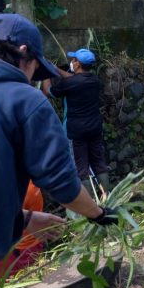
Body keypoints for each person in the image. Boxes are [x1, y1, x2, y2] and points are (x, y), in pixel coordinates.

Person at [0, 13, 117, 288]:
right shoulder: (24, 99)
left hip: (77, 133)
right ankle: (106, 195)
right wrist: (98, 214)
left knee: (85, 166)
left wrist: (26, 218)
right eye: (35, 69)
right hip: (92, 132)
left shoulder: (65, 84)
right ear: (24, 54)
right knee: (92, 168)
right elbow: (61, 184)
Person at [45, 48, 111, 194]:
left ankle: (88, 207)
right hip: (94, 128)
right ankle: (107, 200)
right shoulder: (95, 80)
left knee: (80, 169)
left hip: (76, 132)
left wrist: (46, 72)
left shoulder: (69, 84)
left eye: (74, 60)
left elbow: (47, 91)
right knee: (99, 164)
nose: (72, 62)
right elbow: (73, 79)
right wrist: (55, 69)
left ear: (78, 64)